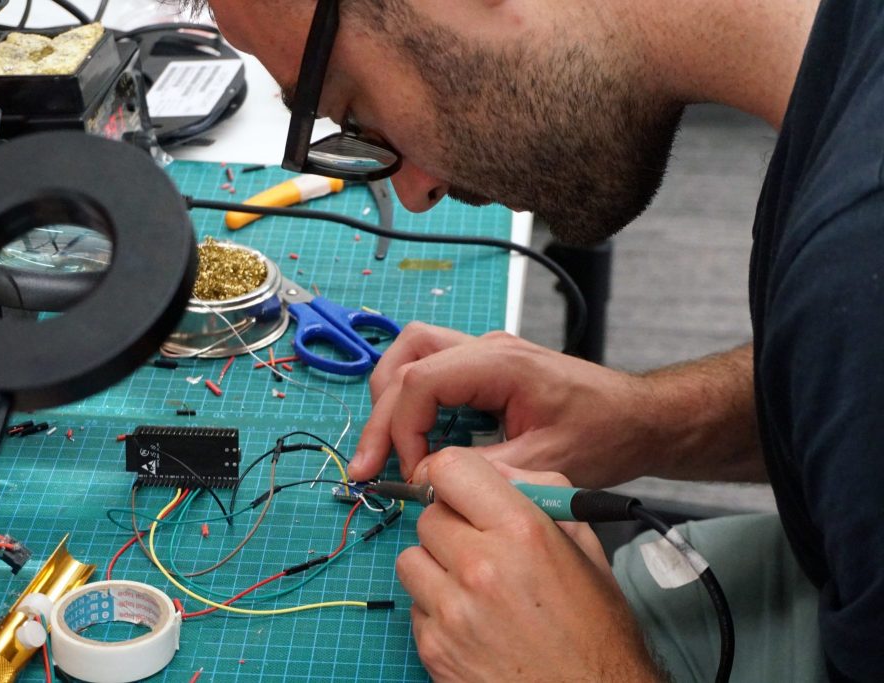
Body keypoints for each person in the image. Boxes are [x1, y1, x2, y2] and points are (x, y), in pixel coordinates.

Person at [197, 0, 883, 680]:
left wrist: (590, 672)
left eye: (353, 110)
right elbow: (847, 400)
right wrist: (653, 421)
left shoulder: (856, 258)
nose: (413, 194)